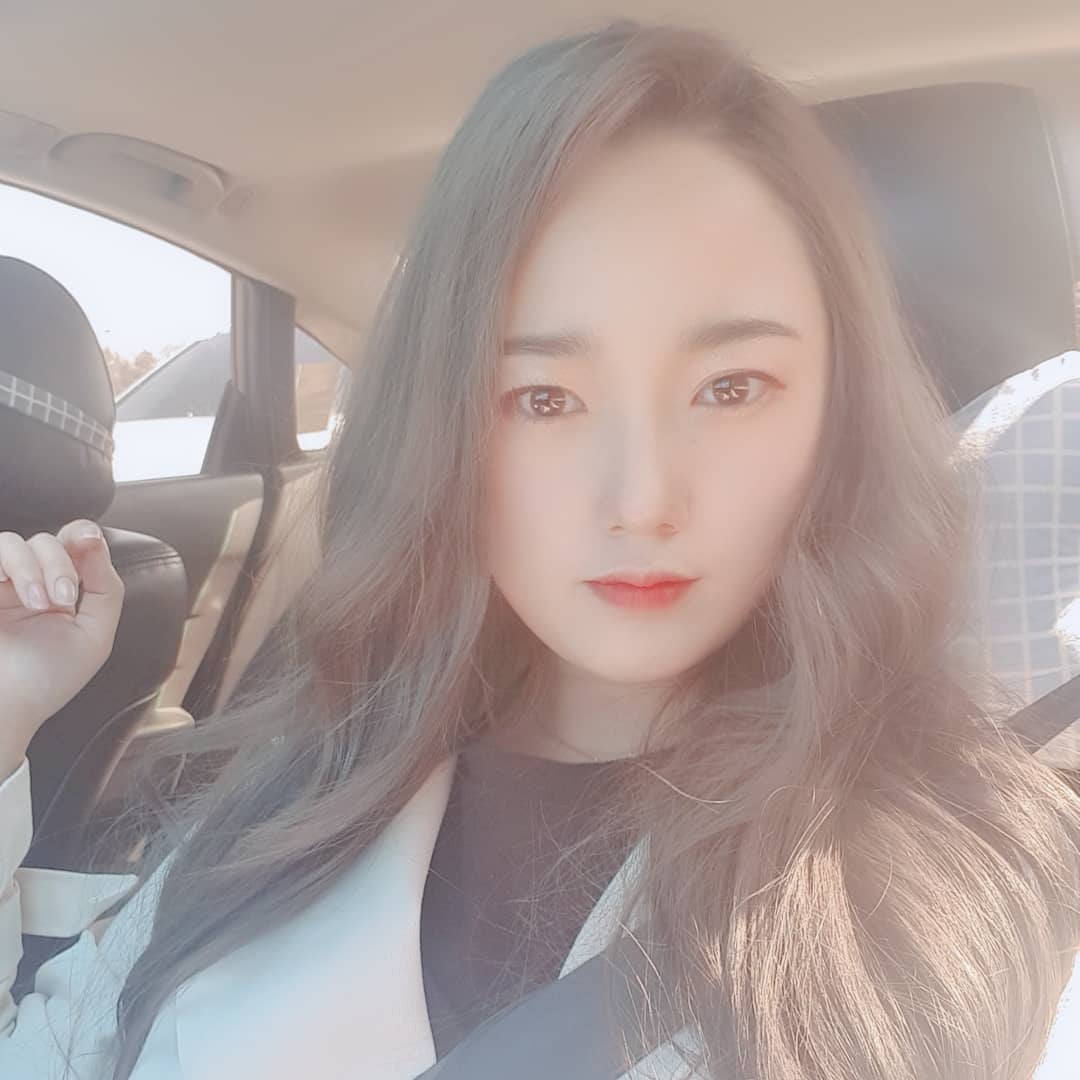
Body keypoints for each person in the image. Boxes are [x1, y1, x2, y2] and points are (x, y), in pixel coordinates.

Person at [2, 17, 1079, 1080]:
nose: (643, 499)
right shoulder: (299, 783)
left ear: (839, 413)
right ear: (445, 429)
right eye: (544, 398)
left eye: (731, 387)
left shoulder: (963, 890)